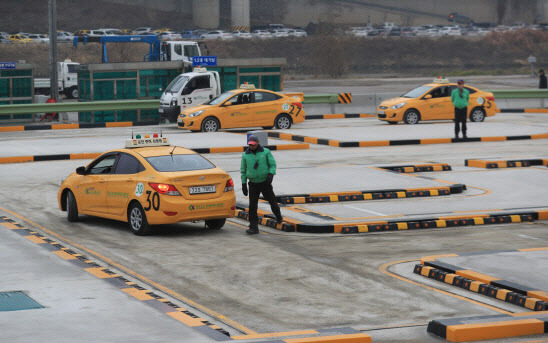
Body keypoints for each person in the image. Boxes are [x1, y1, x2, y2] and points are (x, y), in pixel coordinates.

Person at [240, 135, 283, 234]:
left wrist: (271, 174)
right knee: (252, 206)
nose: (252, 146)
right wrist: (243, 184)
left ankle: (278, 216)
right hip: (253, 184)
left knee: (272, 201)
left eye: (253, 145)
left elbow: (272, 164)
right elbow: (243, 170)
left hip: (265, 182)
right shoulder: (245, 155)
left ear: (258, 142)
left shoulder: (266, 152)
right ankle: (253, 227)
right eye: (250, 145)